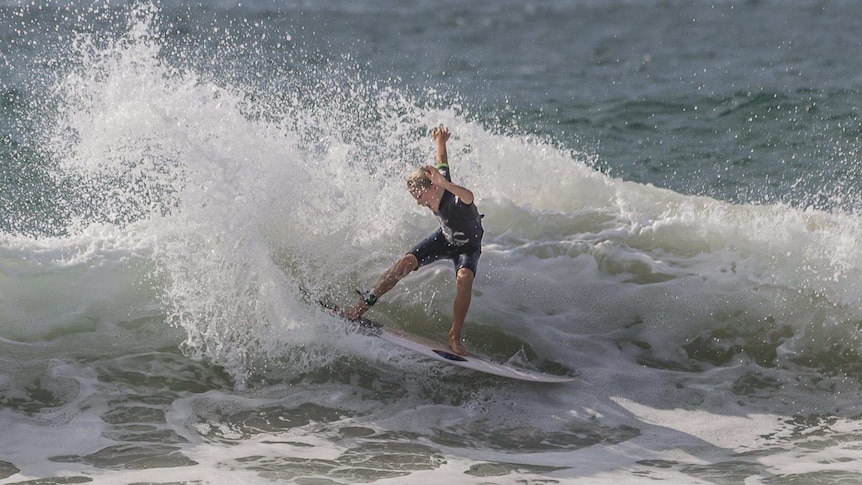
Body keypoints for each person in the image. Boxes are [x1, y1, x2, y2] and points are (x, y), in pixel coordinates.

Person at [343, 125, 484, 356]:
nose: (418, 202)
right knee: (404, 263)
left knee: (465, 277)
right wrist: (441, 141)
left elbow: (469, 196)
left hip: (468, 247)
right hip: (445, 238)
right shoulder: (436, 182)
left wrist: (445, 184)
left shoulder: (454, 198)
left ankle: (454, 337)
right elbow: (442, 159)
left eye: (418, 196)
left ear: (431, 187)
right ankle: (359, 308)